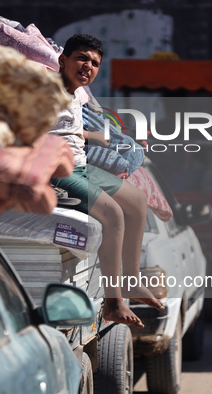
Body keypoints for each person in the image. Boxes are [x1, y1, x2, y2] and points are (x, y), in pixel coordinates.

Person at [49, 33, 164, 329]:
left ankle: (132, 281)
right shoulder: (44, 91)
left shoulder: (76, 93)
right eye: (82, 58)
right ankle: (113, 302)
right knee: (112, 214)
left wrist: (94, 136)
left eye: (95, 63)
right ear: (63, 61)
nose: (88, 66)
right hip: (58, 170)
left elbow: (66, 128)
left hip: (82, 164)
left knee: (137, 200)